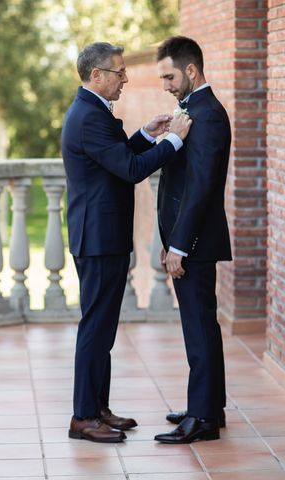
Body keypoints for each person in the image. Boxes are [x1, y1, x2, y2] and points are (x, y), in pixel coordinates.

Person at [62, 42, 192, 443]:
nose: (125, 78)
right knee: (96, 328)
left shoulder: (93, 111)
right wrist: (173, 141)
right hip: (98, 239)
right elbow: (131, 170)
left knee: (103, 328)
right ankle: (83, 417)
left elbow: (115, 155)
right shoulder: (88, 116)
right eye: (119, 72)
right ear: (96, 75)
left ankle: (98, 408)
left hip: (105, 237)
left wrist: (143, 134)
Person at [154, 36, 231, 444]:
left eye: (169, 76)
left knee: (198, 327)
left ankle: (202, 418)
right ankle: (210, 406)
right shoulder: (192, 111)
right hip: (190, 238)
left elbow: (201, 187)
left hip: (196, 241)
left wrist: (180, 244)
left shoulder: (208, 114)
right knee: (202, 324)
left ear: (190, 70)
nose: (165, 84)